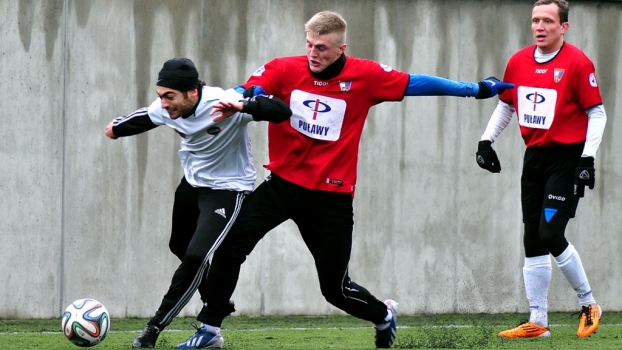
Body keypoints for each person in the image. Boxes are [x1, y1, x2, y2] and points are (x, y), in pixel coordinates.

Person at [172, 11, 513, 350]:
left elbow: (417, 83)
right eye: (309, 45)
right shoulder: (283, 68)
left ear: (340, 48)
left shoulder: (366, 75)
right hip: (281, 187)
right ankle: (210, 329)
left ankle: (382, 314)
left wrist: (475, 89)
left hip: (329, 198)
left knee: (334, 290)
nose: (313, 54)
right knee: (230, 248)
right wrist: (231, 98)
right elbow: (251, 89)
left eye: (321, 47)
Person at [104, 57, 292, 348]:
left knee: (196, 257)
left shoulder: (225, 103)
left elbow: (282, 111)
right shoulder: (166, 109)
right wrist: (115, 129)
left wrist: (245, 105)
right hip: (192, 186)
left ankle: (153, 329)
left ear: (192, 92)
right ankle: (217, 298)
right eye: (161, 95)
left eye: (170, 96)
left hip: (227, 190)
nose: (164, 103)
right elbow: (143, 118)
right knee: (179, 245)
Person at [475, 0, 607, 339]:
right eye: (535, 20)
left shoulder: (578, 63)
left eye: (548, 21)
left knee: (550, 234)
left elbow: (597, 113)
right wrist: (485, 141)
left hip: (567, 158)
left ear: (563, 27)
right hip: (534, 158)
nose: (539, 27)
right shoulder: (518, 62)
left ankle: (589, 303)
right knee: (532, 238)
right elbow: (506, 105)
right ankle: (538, 321)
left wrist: (587, 159)